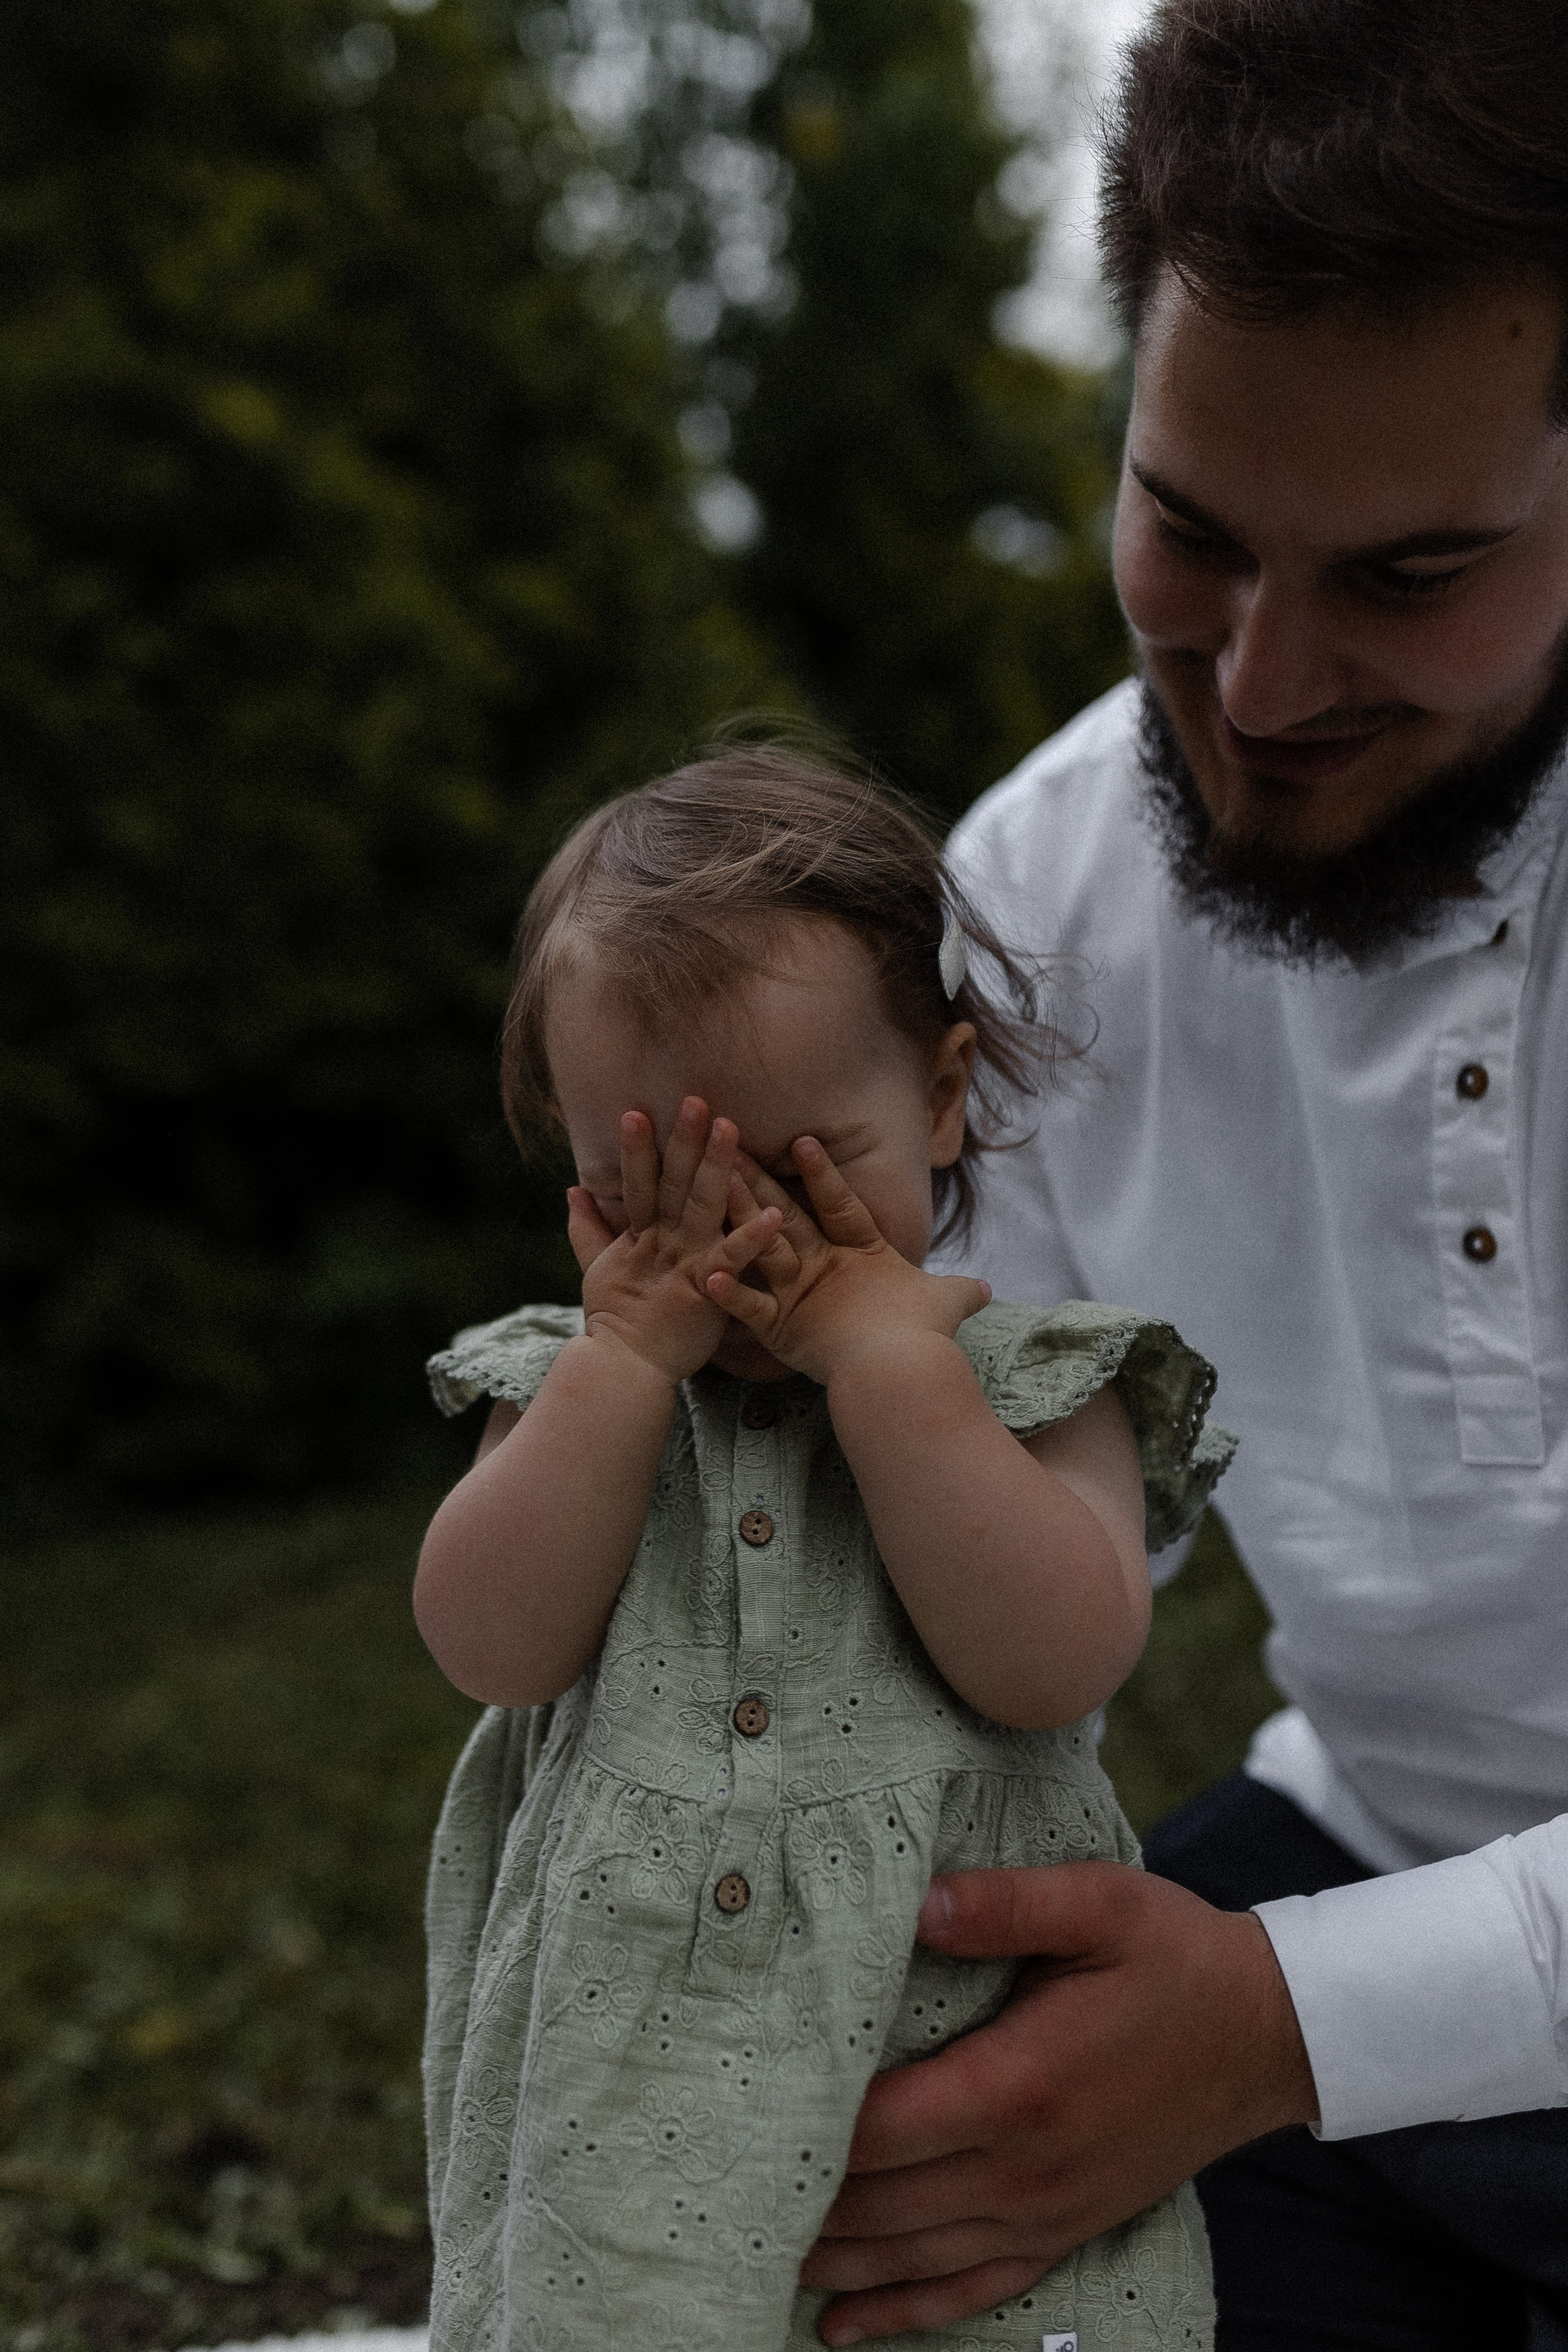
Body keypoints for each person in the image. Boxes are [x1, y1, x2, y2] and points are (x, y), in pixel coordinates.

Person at [798, 2, 1568, 2347]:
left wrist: (1277, 2027)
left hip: (1335, 1994)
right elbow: (1000, 1587)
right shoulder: (1032, 908)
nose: (1259, 686)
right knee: (875, 2214)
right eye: (1192, 533)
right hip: (1358, 1853)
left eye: (1412, 577)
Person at [412, 744, 1235, 2348]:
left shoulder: (1041, 1387)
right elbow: (488, 1648)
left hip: (952, 2051)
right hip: (631, 2065)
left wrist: (890, 1371)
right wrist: (619, 1364)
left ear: (939, 1097)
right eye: (649, 1195)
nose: (735, 1250)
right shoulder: (573, 1387)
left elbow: (1056, 1659)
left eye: (800, 1170)